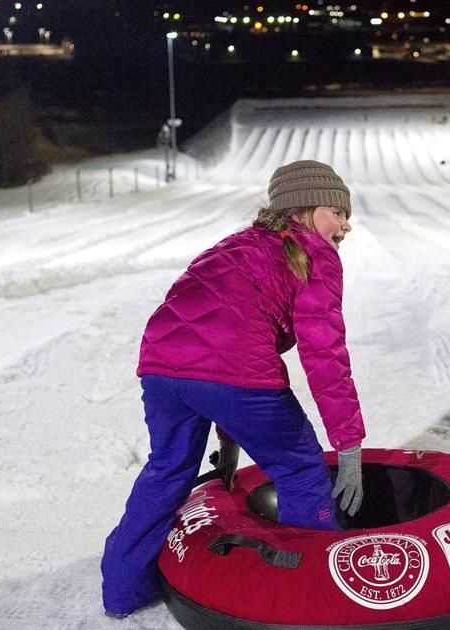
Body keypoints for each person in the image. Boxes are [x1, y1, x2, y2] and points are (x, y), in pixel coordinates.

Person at [101, 160, 367, 618]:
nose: (346, 225)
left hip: (161, 366)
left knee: (167, 470)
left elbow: (211, 327)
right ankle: (314, 601)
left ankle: (122, 592)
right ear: (303, 208)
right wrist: (349, 447)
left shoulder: (234, 244)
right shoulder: (315, 256)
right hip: (232, 372)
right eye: (337, 212)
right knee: (301, 470)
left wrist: (227, 440)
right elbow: (325, 357)